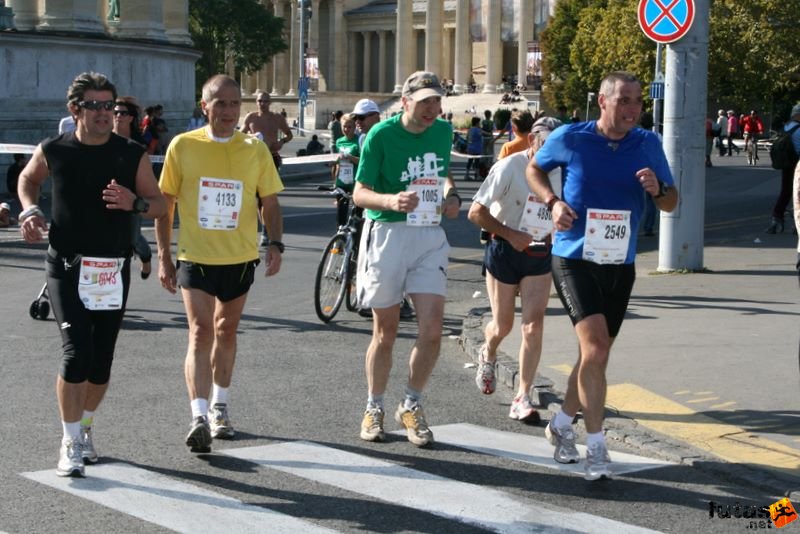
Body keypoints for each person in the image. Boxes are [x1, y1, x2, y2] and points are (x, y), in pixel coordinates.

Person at [525, 71, 679, 480]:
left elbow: (671, 202)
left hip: (619, 261)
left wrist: (657, 188)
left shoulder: (647, 143)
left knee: (596, 354)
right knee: (595, 350)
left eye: (638, 101)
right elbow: (534, 170)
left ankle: (560, 424)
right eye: (625, 100)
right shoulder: (573, 138)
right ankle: (595, 446)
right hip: (573, 256)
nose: (633, 109)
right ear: (603, 101)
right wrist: (553, 203)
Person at [17, 71, 165, 477]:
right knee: (75, 352)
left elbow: (160, 205)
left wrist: (135, 204)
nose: (104, 113)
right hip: (65, 265)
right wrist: (29, 210)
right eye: (94, 106)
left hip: (111, 269)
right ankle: (68, 440)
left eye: (109, 106)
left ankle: (84, 428)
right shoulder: (55, 149)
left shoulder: (130, 153)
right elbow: (28, 178)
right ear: (74, 110)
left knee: (100, 364)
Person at [155, 74, 284, 454]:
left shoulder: (255, 149)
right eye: (220, 103)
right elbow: (166, 205)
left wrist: (275, 242)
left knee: (226, 331)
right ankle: (197, 416)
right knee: (200, 332)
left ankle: (220, 407)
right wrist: (164, 255)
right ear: (204, 106)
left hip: (240, 257)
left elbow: (270, 203)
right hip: (195, 256)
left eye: (233, 103)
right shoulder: (183, 146)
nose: (228, 111)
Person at [353, 71, 461, 447]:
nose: (433, 108)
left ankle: (411, 404)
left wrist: (452, 197)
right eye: (426, 101)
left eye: (437, 101)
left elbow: (443, 174)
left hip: (428, 235)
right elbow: (360, 193)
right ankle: (374, 405)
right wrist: (389, 200)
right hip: (387, 234)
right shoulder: (381, 135)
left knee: (432, 331)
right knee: (386, 332)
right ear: (405, 102)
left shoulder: (443, 132)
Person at [468, 116, 562, 424]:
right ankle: (489, 352)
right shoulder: (509, 166)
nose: (550, 151)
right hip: (504, 250)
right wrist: (510, 234)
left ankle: (523, 395)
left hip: (539, 253)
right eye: (545, 143)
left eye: (556, 144)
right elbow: (476, 212)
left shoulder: (563, 172)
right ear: (532, 141)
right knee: (503, 326)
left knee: (533, 326)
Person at [241, 91, 292, 246]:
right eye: (259, 101)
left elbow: (289, 135)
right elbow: (239, 136)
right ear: (256, 102)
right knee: (256, 199)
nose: (262, 104)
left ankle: (265, 231)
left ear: (270, 103)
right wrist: (250, 138)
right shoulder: (250, 118)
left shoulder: (277, 118)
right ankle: (264, 228)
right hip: (253, 161)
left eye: (265, 101)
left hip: (271, 158)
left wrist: (281, 142)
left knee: (267, 196)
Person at [113, 96, 154, 279]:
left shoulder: (136, 147)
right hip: (107, 195)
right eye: (114, 112)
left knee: (133, 238)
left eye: (122, 113)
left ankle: (145, 257)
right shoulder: (101, 139)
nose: (117, 116)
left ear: (130, 117)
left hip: (131, 198)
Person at [766, 104, 800, 234]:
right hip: (797, 164)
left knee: (786, 192)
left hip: (787, 164)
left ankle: (777, 217)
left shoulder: (786, 127)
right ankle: (797, 223)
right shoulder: (799, 129)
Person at [333, 113, 360, 226]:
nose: (346, 129)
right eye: (344, 126)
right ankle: (340, 238)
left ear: (354, 127)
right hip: (341, 181)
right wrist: (334, 181)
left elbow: (362, 161)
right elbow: (337, 164)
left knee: (357, 213)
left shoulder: (359, 141)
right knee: (341, 214)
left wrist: (350, 157)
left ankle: (356, 237)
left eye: (349, 127)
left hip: (354, 181)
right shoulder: (339, 141)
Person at [464, 116, 483, 180]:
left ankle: (466, 174)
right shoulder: (478, 130)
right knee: (477, 162)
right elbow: (482, 135)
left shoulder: (470, 129)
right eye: (479, 123)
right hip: (477, 148)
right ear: (477, 123)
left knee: (470, 161)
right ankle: (477, 175)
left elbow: (467, 138)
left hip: (470, 148)